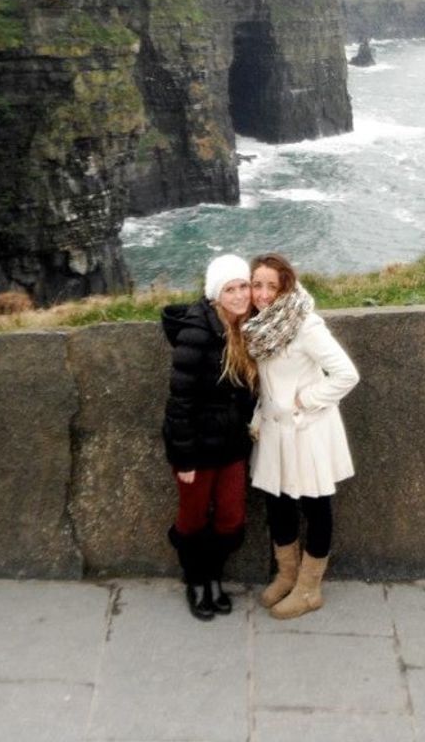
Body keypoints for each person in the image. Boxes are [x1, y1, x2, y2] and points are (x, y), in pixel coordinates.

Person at [245, 252, 359, 619]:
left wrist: (304, 400)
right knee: (278, 504)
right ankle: (288, 574)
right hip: (275, 431)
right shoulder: (260, 325)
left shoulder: (304, 324)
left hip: (306, 430)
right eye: (256, 285)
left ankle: (309, 588)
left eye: (271, 286)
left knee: (315, 505)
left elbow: (346, 374)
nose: (262, 294)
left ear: (286, 287)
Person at [161, 254, 257, 620]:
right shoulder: (198, 332)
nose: (239, 295)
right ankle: (196, 580)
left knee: (231, 517)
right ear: (216, 295)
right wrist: (183, 458)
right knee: (194, 518)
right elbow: (179, 401)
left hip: (230, 445)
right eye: (230, 289)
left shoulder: (248, 327)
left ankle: (214, 574)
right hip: (197, 448)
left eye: (243, 286)